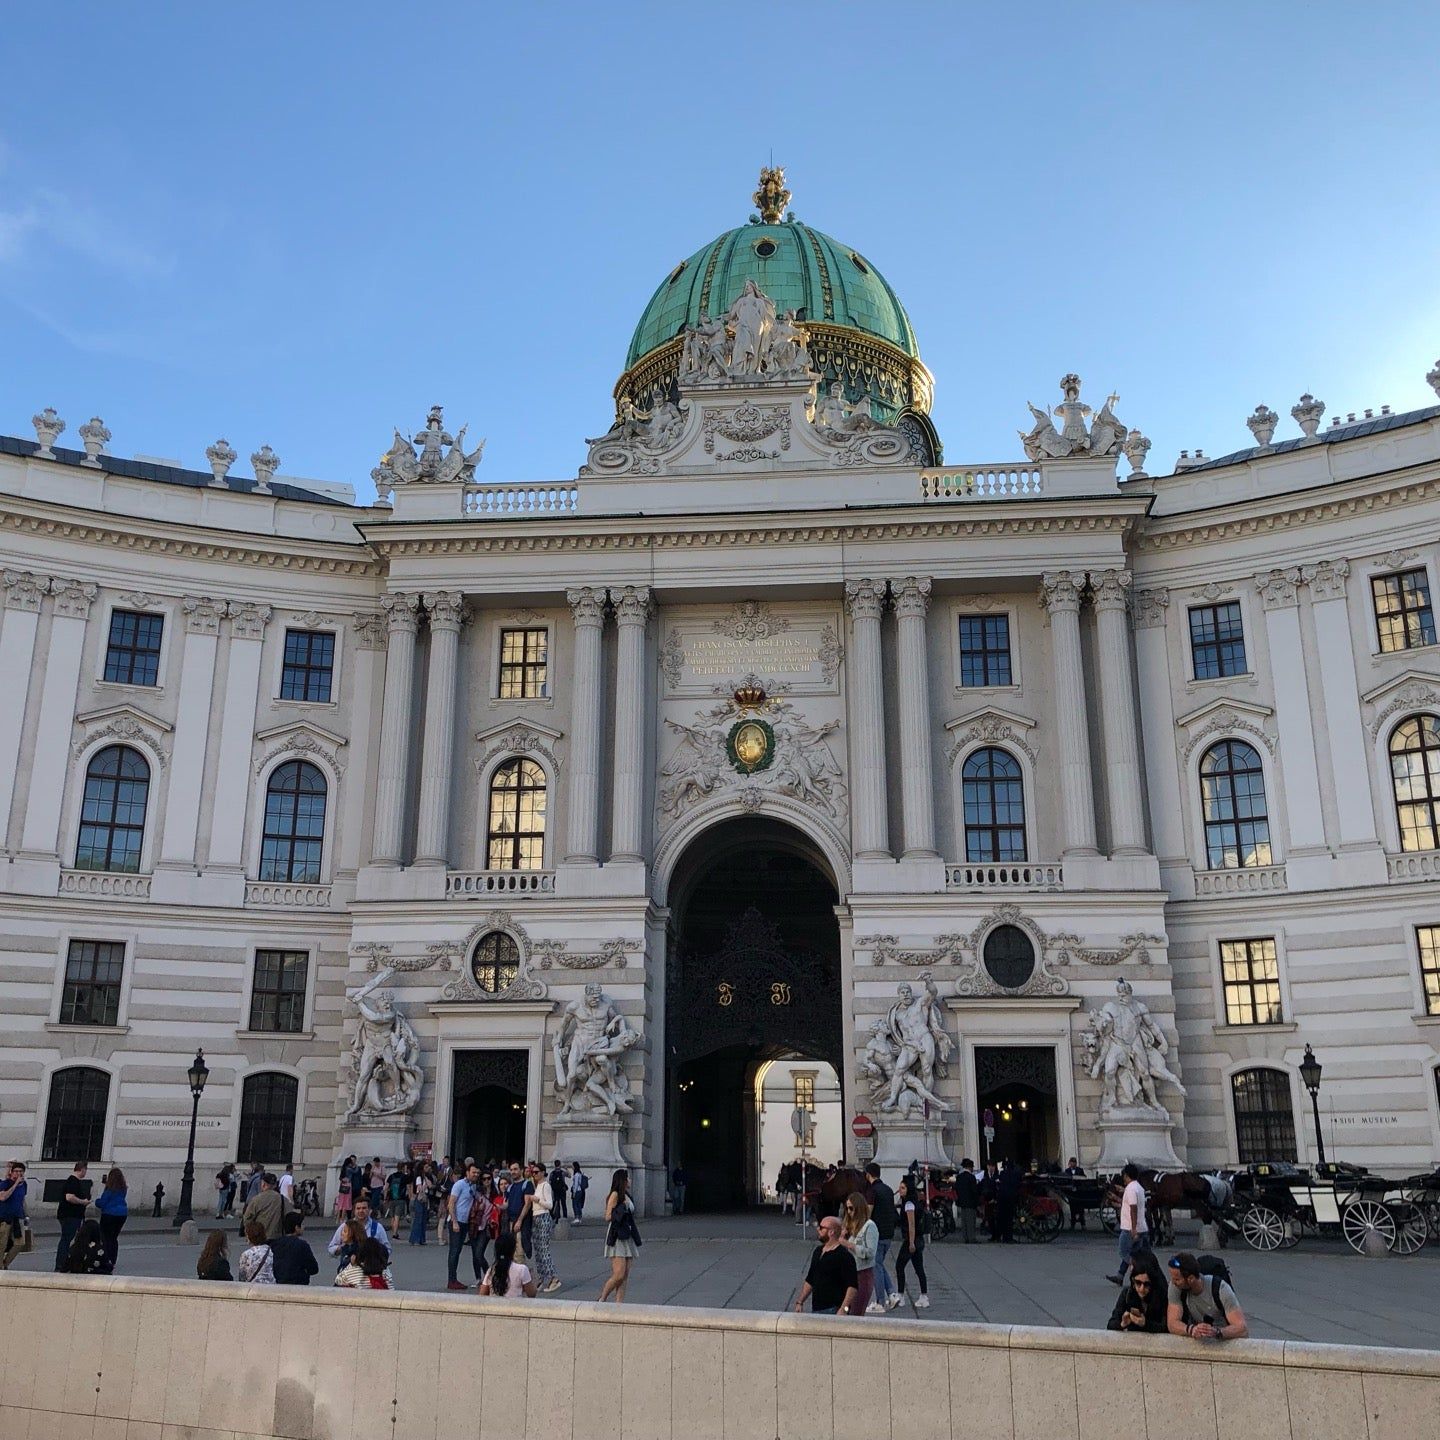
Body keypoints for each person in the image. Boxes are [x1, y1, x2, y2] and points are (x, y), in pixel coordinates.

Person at [1167, 1253, 1248, 1340]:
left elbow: (1242, 1328)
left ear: (1191, 1279)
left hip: (1224, 1338)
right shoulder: (1176, 1287)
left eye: (1177, 1279)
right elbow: (1172, 1323)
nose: (1172, 1282)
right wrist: (1191, 1329)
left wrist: (1216, 1332)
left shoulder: (1221, 1289)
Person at [794, 1215, 859, 1316]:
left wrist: (844, 1309)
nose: (818, 1229)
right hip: (817, 1309)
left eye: (821, 1227)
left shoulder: (844, 1256)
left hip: (834, 1309)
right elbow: (810, 1279)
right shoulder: (818, 1251)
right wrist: (800, 1301)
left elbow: (852, 1287)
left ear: (831, 1232)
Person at [598, 1168, 640, 1303]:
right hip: (617, 1234)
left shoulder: (626, 1194)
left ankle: (619, 1304)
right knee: (619, 1274)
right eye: (628, 1178)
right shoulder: (615, 1195)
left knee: (625, 1274)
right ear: (623, 1180)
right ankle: (602, 1298)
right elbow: (608, 1216)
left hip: (627, 1234)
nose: (630, 1180)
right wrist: (621, 1208)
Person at [445, 1160, 487, 1292]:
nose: (475, 1175)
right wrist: (454, 1221)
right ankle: (452, 1280)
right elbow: (451, 1203)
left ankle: (453, 1279)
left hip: (466, 1222)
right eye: (473, 1172)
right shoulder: (459, 1184)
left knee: (458, 1251)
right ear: (467, 1172)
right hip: (456, 1221)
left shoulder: (473, 1186)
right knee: (455, 1251)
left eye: (477, 1173)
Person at [862, 1163, 898, 1312]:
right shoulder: (888, 1190)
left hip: (876, 1234)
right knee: (879, 1264)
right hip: (888, 1233)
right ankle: (892, 1294)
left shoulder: (872, 1191)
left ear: (868, 1175)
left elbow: (868, 1213)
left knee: (875, 1266)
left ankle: (880, 1302)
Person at [1109, 1163, 1149, 1285]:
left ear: (1126, 1176)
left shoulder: (1131, 1189)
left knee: (1124, 1252)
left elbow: (1133, 1208)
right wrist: (1117, 1198)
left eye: (1124, 1176)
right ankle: (1120, 1276)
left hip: (1130, 1228)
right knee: (1135, 1252)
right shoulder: (1138, 1187)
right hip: (1142, 1227)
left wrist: (1133, 1228)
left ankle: (1139, 1271)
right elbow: (1129, 1204)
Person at [1107, 1252, 1167, 1333]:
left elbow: (1166, 1327)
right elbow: (1111, 1324)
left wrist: (1145, 1324)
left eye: (1147, 1284)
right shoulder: (1127, 1294)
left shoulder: (1163, 1296)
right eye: (1138, 1283)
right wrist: (1122, 1324)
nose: (1142, 1289)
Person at [840, 1193, 879, 1315]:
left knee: (856, 1311)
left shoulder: (869, 1226)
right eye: (847, 1208)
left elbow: (870, 1253)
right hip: (849, 1272)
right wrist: (842, 1235)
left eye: (851, 1208)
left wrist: (849, 1244)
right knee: (846, 1309)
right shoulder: (850, 1226)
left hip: (862, 1273)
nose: (849, 1212)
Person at [894, 1173, 929, 1309]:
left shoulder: (909, 1204)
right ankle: (923, 1296)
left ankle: (901, 1295)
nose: (900, 1190)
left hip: (911, 1239)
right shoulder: (911, 1202)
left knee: (899, 1266)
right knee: (918, 1267)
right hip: (918, 1239)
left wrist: (911, 1242)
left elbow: (911, 1224)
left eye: (903, 1188)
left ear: (908, 1189)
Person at [328, 1195, 390, 1268]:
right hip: (348, 1271)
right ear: (354, 1210)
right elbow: (331, 1248)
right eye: (358, 1208)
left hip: (371, 1270)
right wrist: (343, 1248)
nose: (361, 1211)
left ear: (369, 1210)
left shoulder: (378, 1227)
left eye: (364, 1208)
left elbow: (387, 1249)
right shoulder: (345, 1226)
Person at [528, 1162, 561, 1293]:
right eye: (533, 1172)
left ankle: (553, 1278)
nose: (534, 1175)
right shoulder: (537, 1185)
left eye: (536, 1172)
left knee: (544, 1249)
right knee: (538, 1250)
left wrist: (537, 1200)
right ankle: (541, 1277)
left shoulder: (546, 1186)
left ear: (542, 1173)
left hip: (543, 1216)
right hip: (536, 1217)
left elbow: (550, 1205)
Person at [54, 1160, 92, 1271]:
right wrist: (83, 1202)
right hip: (70, 1215)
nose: (86, 1172)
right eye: (85, 1170)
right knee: (66, 1240)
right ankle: (61, 1264)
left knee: (67, 1239)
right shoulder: (73, 1181)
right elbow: (69, 1197)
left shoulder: (73, 1181)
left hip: (70, 1215)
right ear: (82, 1169)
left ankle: (65, 1263)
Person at [479, 1230, 537, 1298]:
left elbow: (482, 1294)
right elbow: (531, 1294)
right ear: (513, 1250)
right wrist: (533, 1280)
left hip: (495, 1307)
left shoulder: (491, 1270)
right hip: (515, 1307)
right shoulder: (522, 1269)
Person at [271, 1210, 320, 1285]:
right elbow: (313, 1268)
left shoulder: (275, 1244)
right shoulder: (302, 1245)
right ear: (296, 1227)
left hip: (279, 1283)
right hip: (298, 1283)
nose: (304, 1227)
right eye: (302, 1225)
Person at [95, 1166, 128, 1271]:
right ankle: (113, 1260)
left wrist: (97, 1201)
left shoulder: (109, 1189)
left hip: (109, 1214)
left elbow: (103, 1202)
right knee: (114, 1238)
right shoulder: (123, 1189)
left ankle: (106, 1258)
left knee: (105, 1238)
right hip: (122, 1214)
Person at [242, 1172, 288, 1240]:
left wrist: (249, 1233)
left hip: (260, 1237)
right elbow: (288, 1216)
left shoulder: (257, 1199)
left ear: (263, 1184)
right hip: (278, 1237)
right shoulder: (283, 1199)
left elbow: (247, 1218)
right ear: (275, 1185)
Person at [0, 1160, 28, 1271]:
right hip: (4, 1218)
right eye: (16, 1171)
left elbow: (22, 1200)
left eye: (21, 1171)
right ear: (11, 1172)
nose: (18, 1174)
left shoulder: (24, 1185)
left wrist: (26, 1215)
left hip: (18, 1218)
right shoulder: (5, 1183)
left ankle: (5, 1262)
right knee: (2, 1244)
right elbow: (3, 1197)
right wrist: (15, 1184)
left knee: (20, 1243)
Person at [505, 1160, 533, 1258]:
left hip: (522, 1222)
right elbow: (507, 1204)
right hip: (511, 1221)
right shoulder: (510, 1187)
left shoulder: (527, 1184)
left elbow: (527, 1204)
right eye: (511, 1170)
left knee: (520, 1251)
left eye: (515, 1169)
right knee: (513, 1252)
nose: (513, 1172)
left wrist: (520, 1221)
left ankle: (524, 1272)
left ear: (521, 1170)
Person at [954, 1159, 980, 1245]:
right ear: (970, 1167)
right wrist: (977, 1202)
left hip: (962, 1201)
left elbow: (956, 1189)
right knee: (970, 1221)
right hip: (970, 1202)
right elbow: (974, 1191)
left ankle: (965, 1237)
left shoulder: (959, 1177)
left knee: (964, 1221)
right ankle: (971, 1238)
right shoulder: (971, 1177)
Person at [994, 1160, 1020, 1244]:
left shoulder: (1002, 1174)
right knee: (1009, 1219)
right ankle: (1008, 1237)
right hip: (1010, 1198)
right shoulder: (1015, 1174)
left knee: (1001, 1218)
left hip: (1002, 1198)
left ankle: (999, 1235)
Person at [409, 1163, 433, 1246]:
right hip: (420, 1198)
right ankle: (416, 1239)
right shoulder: (419, 1177)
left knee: (423, 1219)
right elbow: (419, 1188)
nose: (428, 1168)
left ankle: (422, 1239)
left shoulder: (426, 1177)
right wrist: (424, 1184)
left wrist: (426, 1179)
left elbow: (430, 1185)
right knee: (418, 1219)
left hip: (425, 1198)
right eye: (426, 1167)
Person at [1064, 1157, 1087, 1230]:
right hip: (1071, 1192)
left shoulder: (1080, 1170)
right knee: (1072, 1209)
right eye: (1071, 1162)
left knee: (1081, 1209)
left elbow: (1084, 1178)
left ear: (1075, 1163)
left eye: (1074, 1162)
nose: (1072, 1164)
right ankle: (1072, 1224)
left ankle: (1083, 1224)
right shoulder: (1067, 1171)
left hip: (1079, 1192)